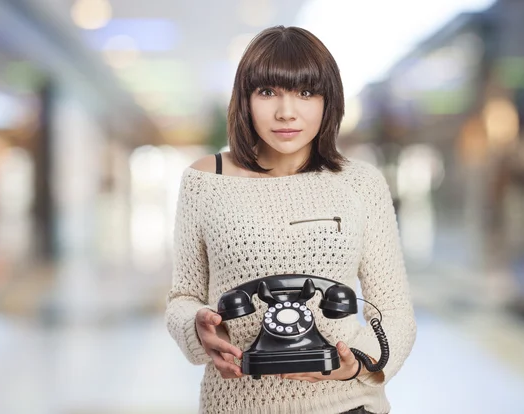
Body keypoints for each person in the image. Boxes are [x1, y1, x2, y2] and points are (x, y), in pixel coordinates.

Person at [165, 25, 416, 414]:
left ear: (328, 100)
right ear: (245, 99)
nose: (286, 111)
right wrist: (197, 325)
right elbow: (182, 297)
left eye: (305, 92)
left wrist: (357, 363)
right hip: (235, 405)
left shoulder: (360, 183)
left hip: (348, 405)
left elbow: (394, 311)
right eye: (268, 92)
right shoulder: (203, 180)